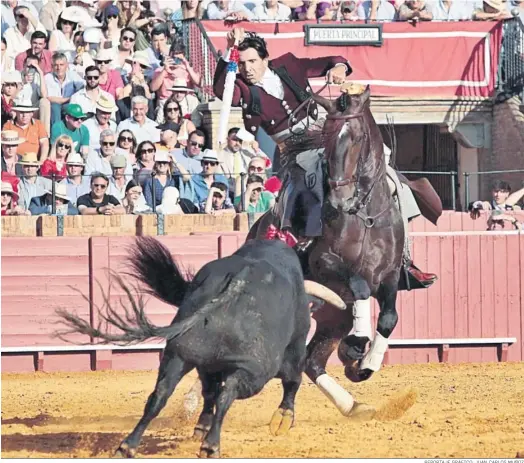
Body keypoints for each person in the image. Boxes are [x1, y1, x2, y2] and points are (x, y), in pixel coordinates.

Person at [213, 27, 438, 286]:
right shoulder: (241, 86)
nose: (247, 69)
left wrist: (340, 68)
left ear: (266, 59)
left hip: (325, 135)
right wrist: (227, 53)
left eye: (252, 61)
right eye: (242, 64)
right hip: (292, 151)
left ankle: (404, 260)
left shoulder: (287, 64)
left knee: (385, 174)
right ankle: (303, 244)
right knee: (303, 188)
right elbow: (222, 89)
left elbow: (329, 62)